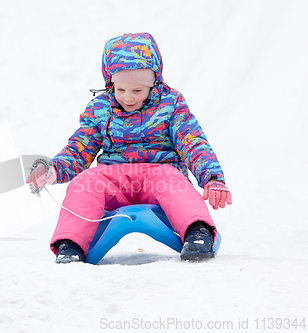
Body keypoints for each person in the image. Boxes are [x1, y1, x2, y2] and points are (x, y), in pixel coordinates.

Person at [27, 33, 232, 263]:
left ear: (154, 83)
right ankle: (71, 244)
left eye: (137, 91)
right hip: (114, 179)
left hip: (159, 173)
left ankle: (197, 230)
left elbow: (193, 142)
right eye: (121, 89)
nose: (128, 98)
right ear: (110, 83)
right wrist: (53, 169)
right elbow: (80, 147)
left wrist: (213, 178)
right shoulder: (100, 109)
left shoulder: (171, 105)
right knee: (85, 182)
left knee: (174, 181)